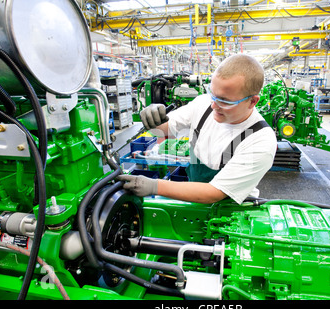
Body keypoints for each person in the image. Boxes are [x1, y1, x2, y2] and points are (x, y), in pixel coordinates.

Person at [118, 53, 277, 204]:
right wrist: (153, 118)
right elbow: (166, 128)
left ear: (252, 101)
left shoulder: (260, 140)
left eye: (225, 101)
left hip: (232, 210)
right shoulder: (203, 104)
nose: (214, 105)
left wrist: (154, 186)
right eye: (213, 95)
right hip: (195, 193)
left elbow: (215, 192)